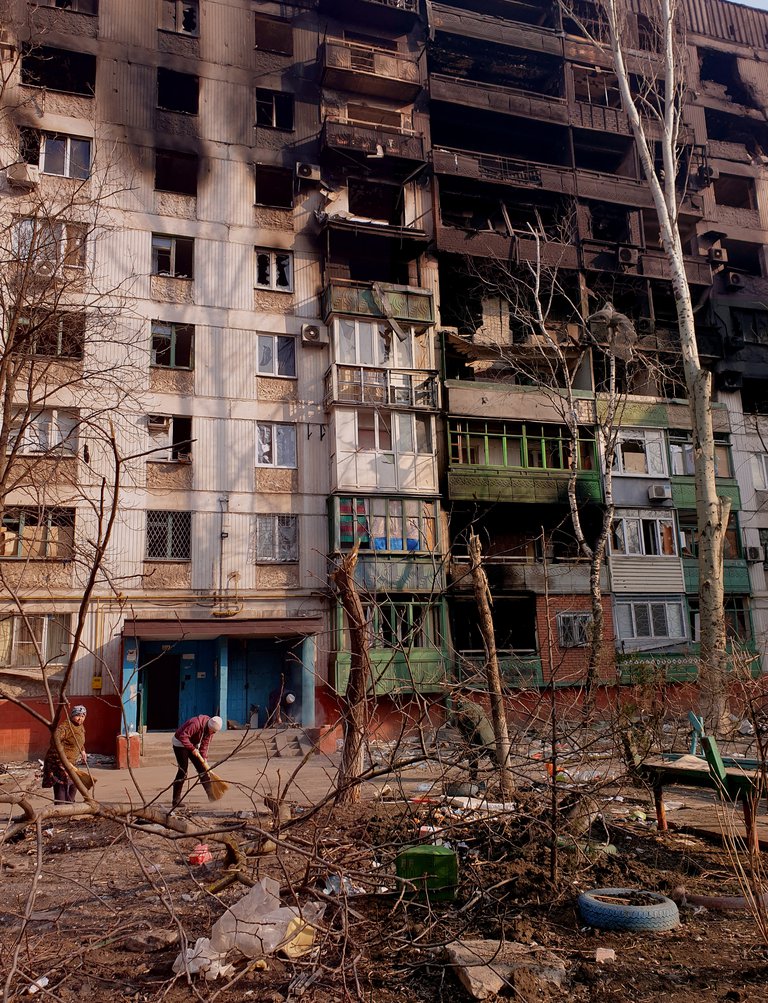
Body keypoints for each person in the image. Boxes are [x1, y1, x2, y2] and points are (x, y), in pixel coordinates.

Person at [171, 714, 222, 808]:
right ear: (209, 726)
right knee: (183, 770)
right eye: (213, 731)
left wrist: (204, 759)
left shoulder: (210, 731)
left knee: (202, 769)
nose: (213, 733)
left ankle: (211, 796)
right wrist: (192, 749)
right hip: (179, 743)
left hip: (193, 744)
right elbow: (183, 736)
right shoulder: (196, 723)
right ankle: (176, 799)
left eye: (215, 732)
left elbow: (205, 745)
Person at [42, 705, 89, 804]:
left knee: (74, 784)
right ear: (72, 715)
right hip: (58, 761)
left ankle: (69, 806)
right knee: (62, 785)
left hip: (70, 762)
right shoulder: (66, 727)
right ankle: (60, 808)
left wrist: (83, 751)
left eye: (83, 716)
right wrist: (62, 761)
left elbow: (78, 741)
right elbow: (54, 740)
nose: (80, 718)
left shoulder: (79, 726)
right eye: (78, 715)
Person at [451, 691, 497, 781]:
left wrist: (453, 710)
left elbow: (454, 723)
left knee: (472, 756)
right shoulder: (478, 706)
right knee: (493, 756)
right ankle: (504, 773)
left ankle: (473, 778)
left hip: (476, 738)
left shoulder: (462, 711)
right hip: (490, 736)